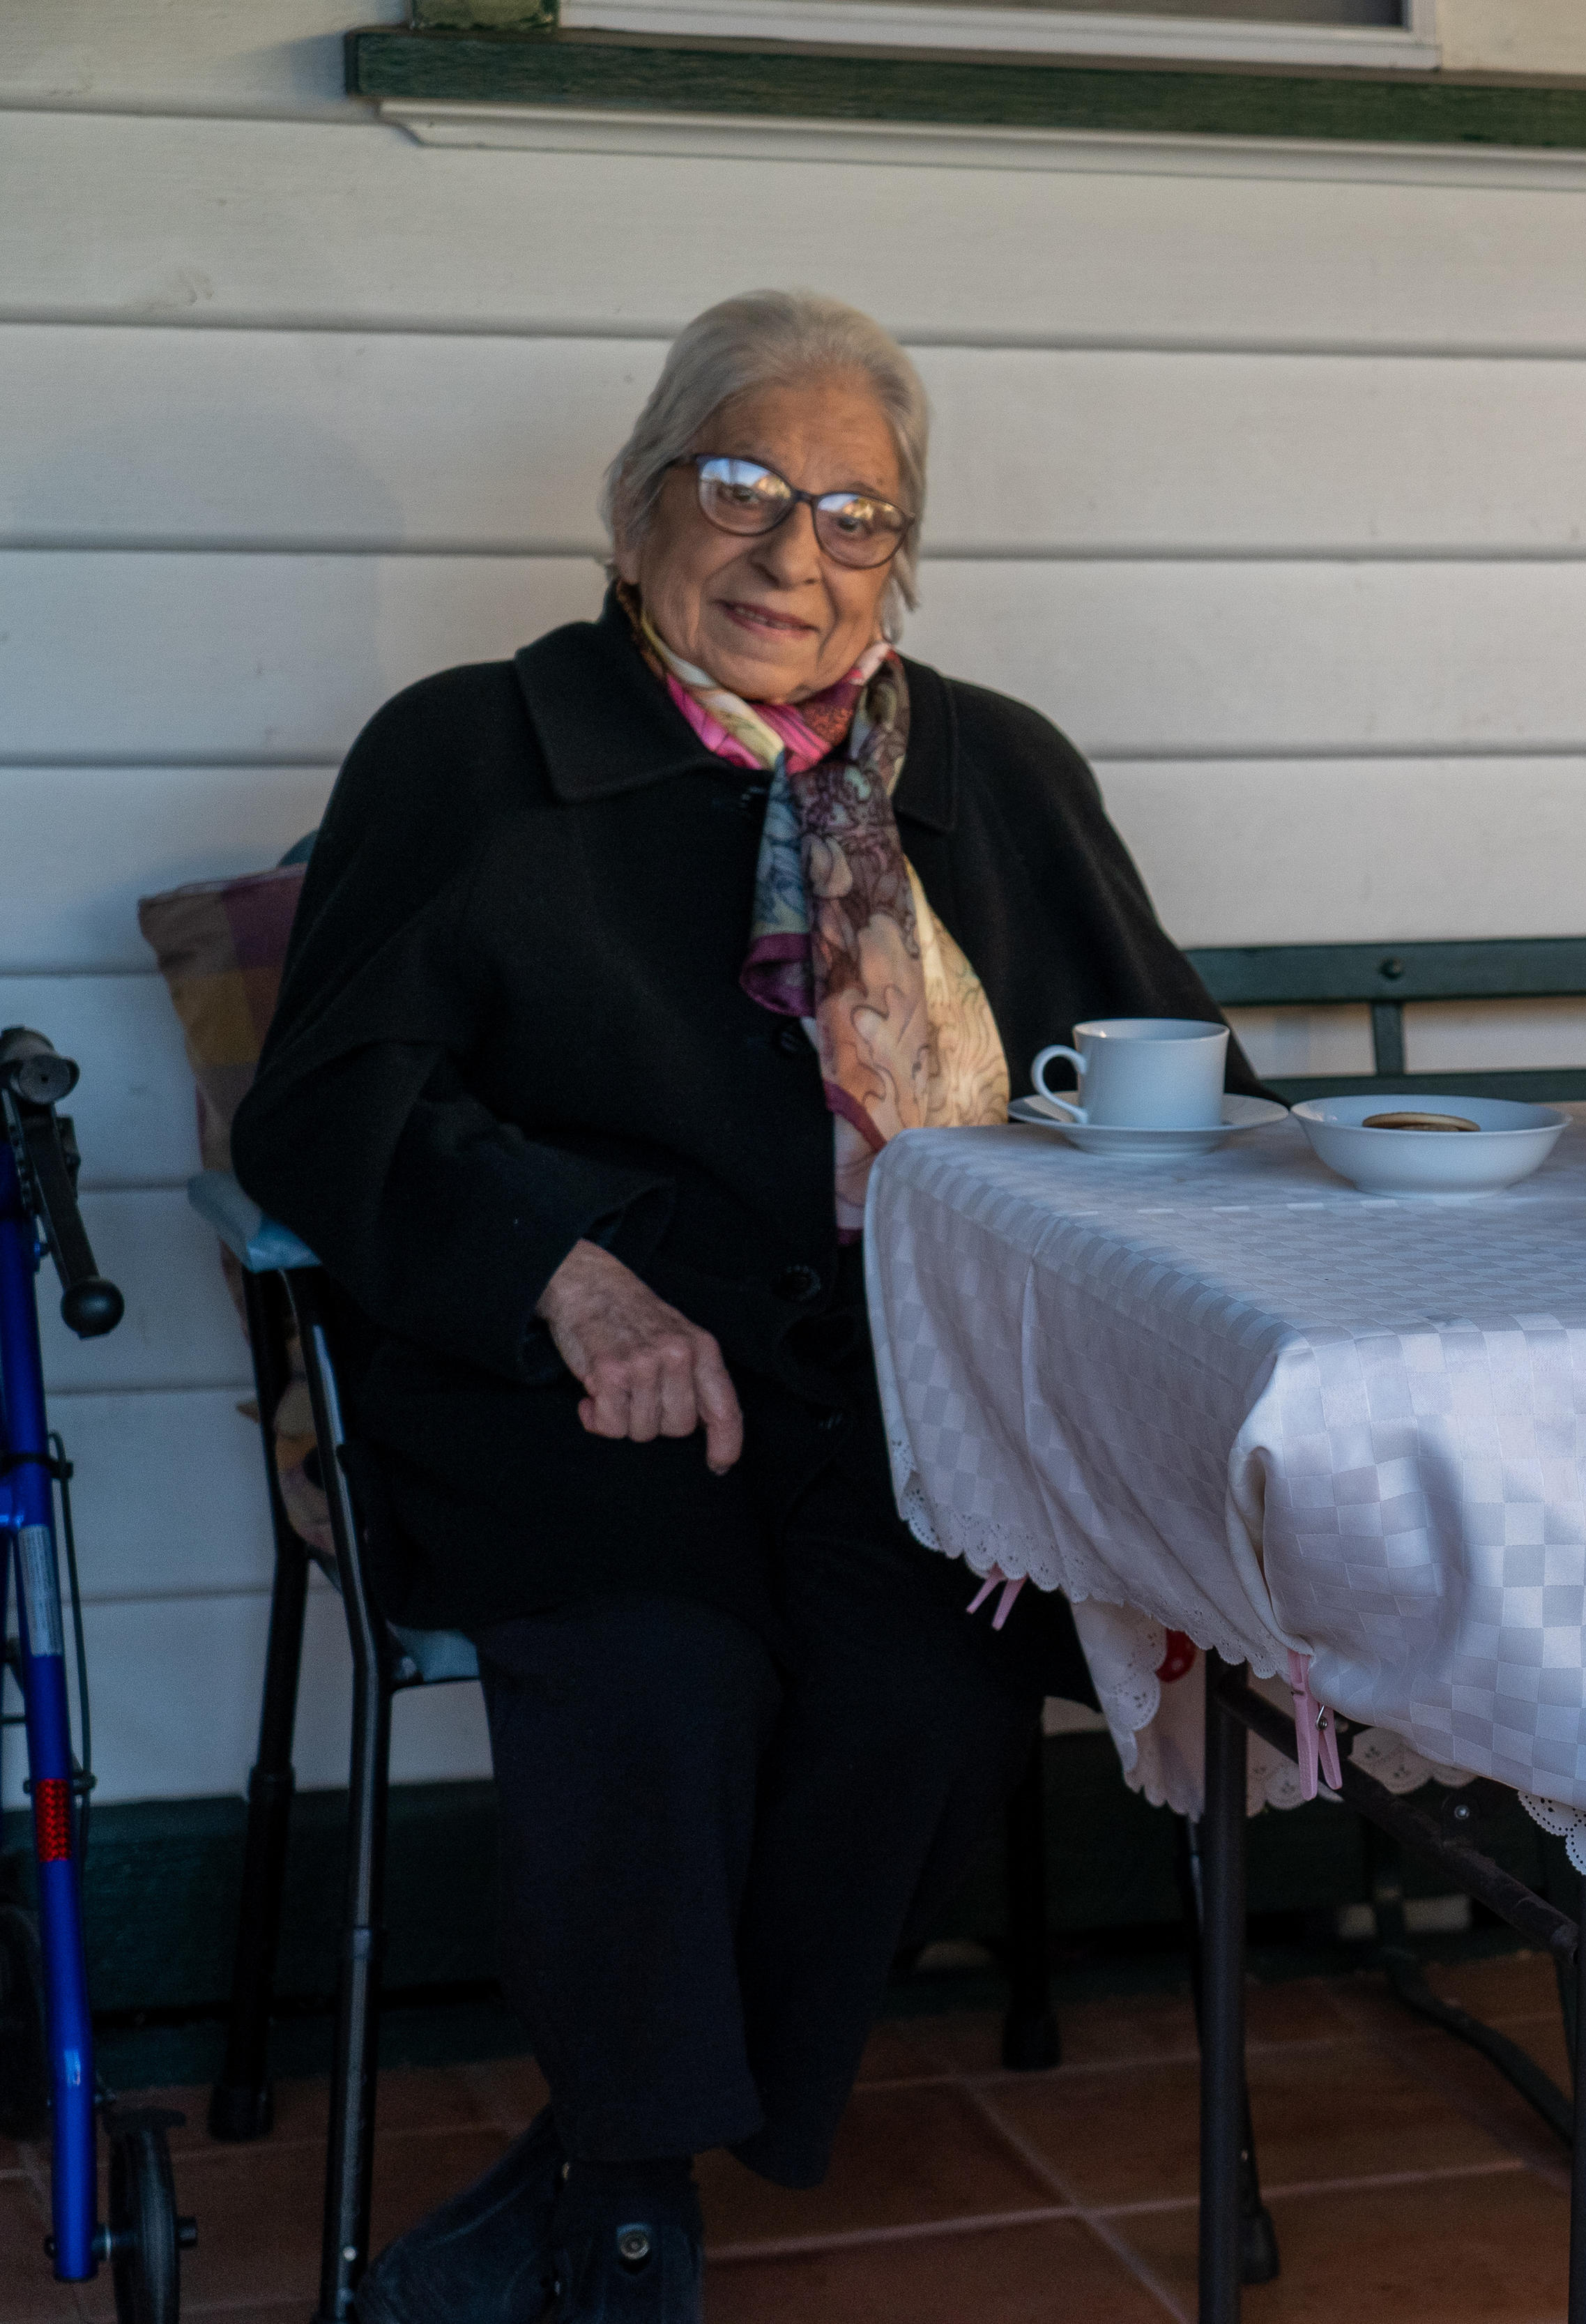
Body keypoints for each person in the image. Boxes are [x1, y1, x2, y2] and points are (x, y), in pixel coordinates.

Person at [233, 289, 1264, 2324]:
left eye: (856, 514)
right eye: (742, 488)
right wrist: (565, 1269)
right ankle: (632, 2205)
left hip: (909, 1391)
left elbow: (1173, 1071)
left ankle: (600, 2150)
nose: (795, 554)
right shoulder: (474, 749)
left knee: (932, 1693)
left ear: (903, 553)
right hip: (566, 1368)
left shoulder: (996, 774)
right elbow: (330, 1098)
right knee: (653, 1672)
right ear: (637, 512)